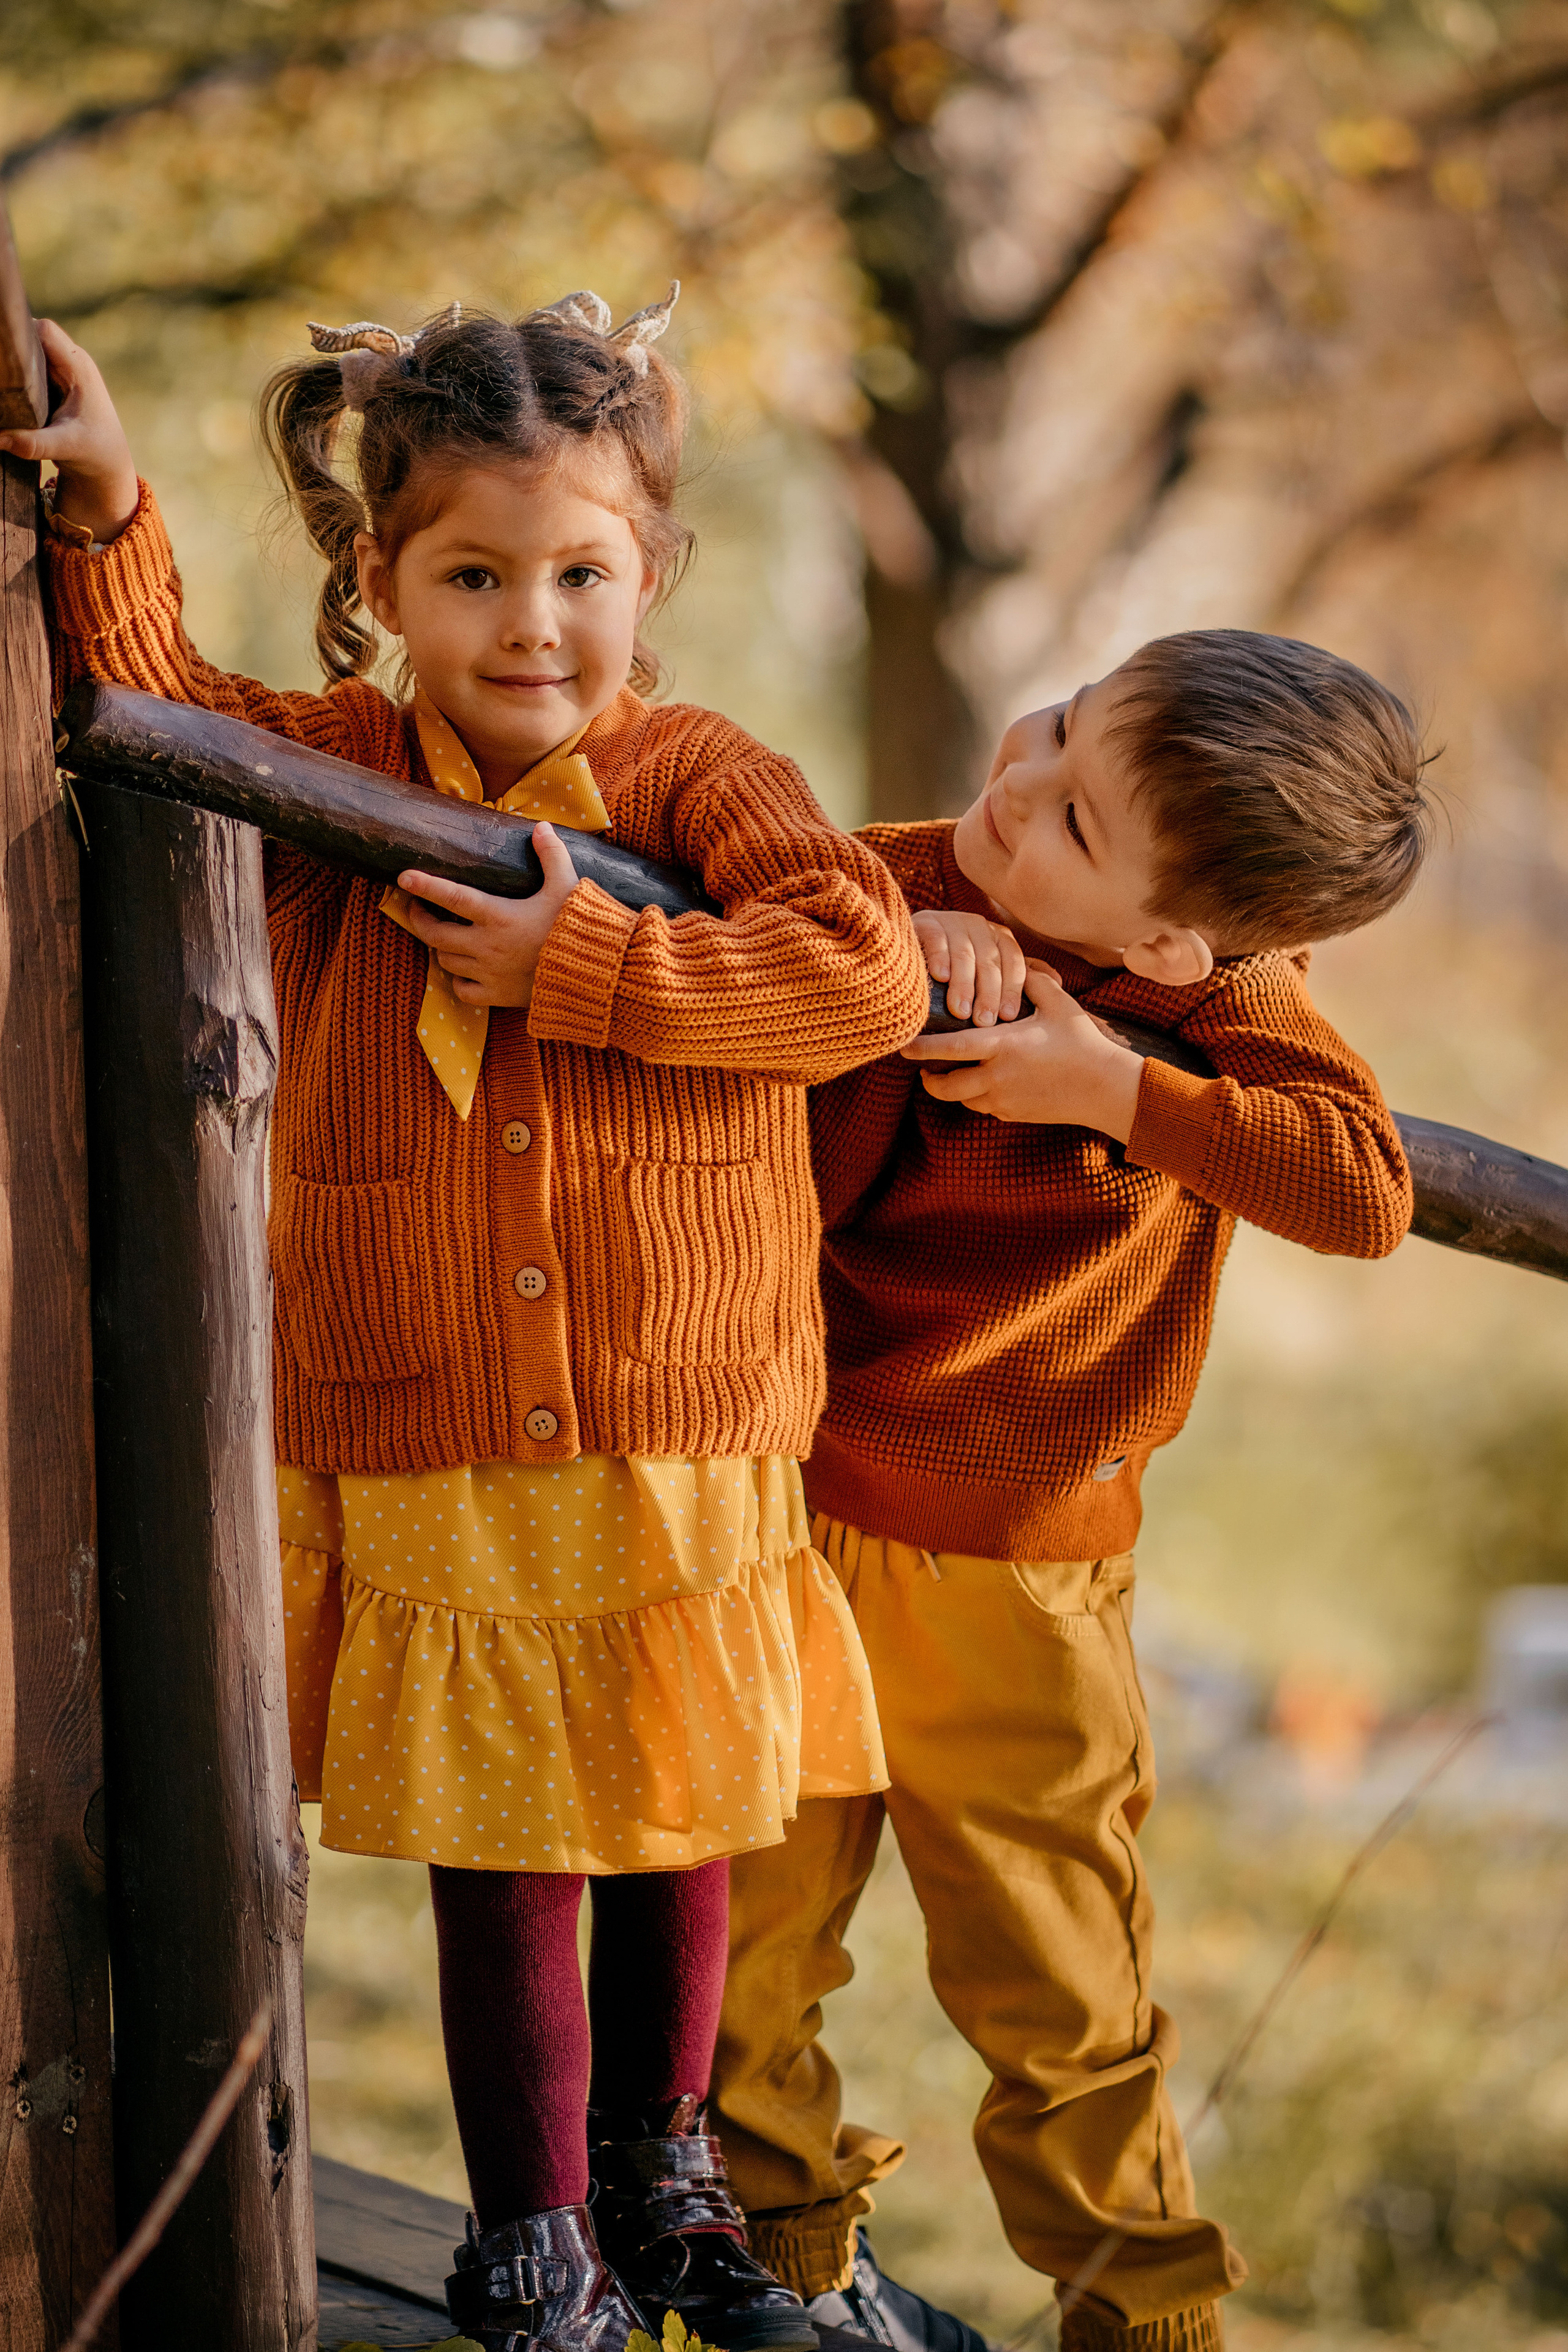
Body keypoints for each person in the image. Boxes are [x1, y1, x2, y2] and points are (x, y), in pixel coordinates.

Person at [9, 288, 931, 2352]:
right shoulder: (340, 767)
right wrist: (108, 510)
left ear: (651, 571)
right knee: (504, 1838)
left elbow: (853, 982)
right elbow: (156, 702)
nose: (535, 622)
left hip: (675, 1402)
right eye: (476, 575)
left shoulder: (701, 777)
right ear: (382, 581)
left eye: (581, 572)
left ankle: (658, 2175)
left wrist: (588, 967)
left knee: (679, 1803)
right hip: (431, 1402)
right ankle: (531, 2237)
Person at [710, 635, 1431, 2352]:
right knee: (745, 1936)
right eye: (1053, 726)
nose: (1015, 783)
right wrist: (893, 949)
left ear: (1173, 940)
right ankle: (782, 2274)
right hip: (789, 1520)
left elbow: (1364, 1191)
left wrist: (1107, 1087)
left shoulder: (1226, 1017)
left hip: (1019, 1580)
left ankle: (1139, 2315)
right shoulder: (916, 874)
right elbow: (763, 884)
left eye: (1076, 818)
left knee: (1056, 1992)